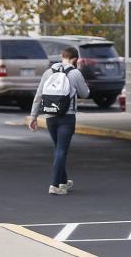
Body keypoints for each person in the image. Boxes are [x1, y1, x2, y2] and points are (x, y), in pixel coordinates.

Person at [27, 46, 90, 195]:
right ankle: (55, 185)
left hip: (50, 117)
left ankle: (63, 181)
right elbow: (85, 93)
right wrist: (81, 72)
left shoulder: (48, 72)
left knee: (59, 150)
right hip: (67, 118)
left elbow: (39, 95)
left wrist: (33, 116)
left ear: (63, 57)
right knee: (61, 150)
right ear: (75, 59)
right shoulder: (75, 73)